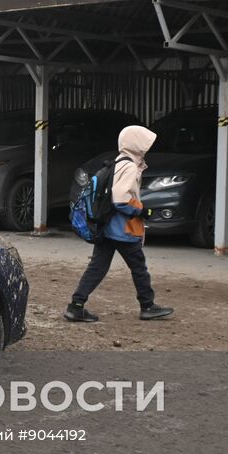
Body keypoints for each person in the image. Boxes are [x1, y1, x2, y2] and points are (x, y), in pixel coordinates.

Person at [64, 125, 174, 323]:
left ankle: (76, 306)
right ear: (136, 144)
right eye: (144, 143)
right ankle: (147, 306)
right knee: (139, 268)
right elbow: (121, 198)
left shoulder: (117, 161)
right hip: (123, 228)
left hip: (105, 226)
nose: (147, 147)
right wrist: (141, 210)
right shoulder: (131, 166)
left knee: (97, 268)